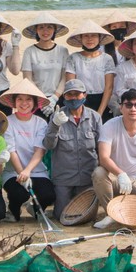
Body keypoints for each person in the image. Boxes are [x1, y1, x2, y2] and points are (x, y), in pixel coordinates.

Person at [43, 76, 100, 223]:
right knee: (61, 216)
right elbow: (49, 145)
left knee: (85, 216)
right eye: (69, 94)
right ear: (64, 97)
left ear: (84, 95)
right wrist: (55, 125)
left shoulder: (95, 117)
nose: (73, 98)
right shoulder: (57, 115)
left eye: (77, 94)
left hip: (87, 177)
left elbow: (101, 146)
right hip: (64, 178)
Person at [95, 89, 136, 208]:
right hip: (116, 179)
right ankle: (110, 212)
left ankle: (130, 208)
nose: (133, 109)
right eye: (128, 105)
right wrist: (120, 174)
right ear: (121, 107)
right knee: (99, 173)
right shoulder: (109, 126)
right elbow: (103, 158)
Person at [0, 78, 53, 221]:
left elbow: (39, 150)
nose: (24, 103)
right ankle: (13, 210)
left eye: (28, 99)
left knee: (49, 195)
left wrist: (28, 171)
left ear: (34, 103)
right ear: (14, 102)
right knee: (19, 194)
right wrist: (21, 173)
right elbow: (11, 150)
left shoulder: (40, 122)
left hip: (36, 170)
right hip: (12, 171)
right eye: (20, 99)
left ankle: (34, 208)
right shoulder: (8, 121)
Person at [64, 22, 116, 117]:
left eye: (94, 36)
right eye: (86, 36)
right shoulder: (73, 58)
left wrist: (99, 113)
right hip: (78, 100)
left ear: (99, 38)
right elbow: (71, 85)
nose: (90, 39)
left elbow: (109, 88)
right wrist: (78, 109)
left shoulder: (107, 58)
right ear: (81, 38)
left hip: (102, 101)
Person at [19, 14, 72, 97]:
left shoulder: (62, 50)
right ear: (36, 30)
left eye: (49, 27)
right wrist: (41, 98)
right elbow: (27, 78)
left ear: (54, 30)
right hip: (36, 97)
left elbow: (64, 77)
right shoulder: (29, 51)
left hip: (59, 97)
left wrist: (55, 97)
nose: (45, 31)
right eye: (41, 27)